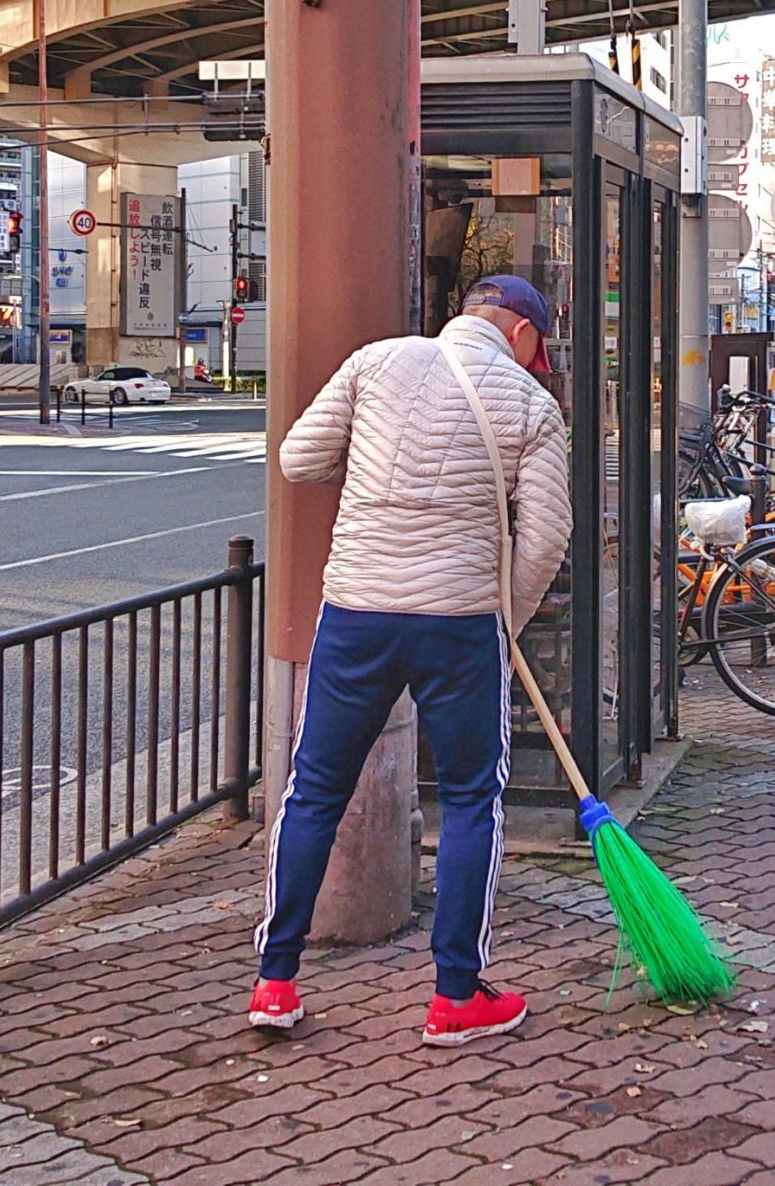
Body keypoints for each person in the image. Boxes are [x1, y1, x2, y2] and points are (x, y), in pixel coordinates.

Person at [249, 274, 572, 1046]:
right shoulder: (531, 405)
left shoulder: (376, 360)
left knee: (313, 789)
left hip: (356, 611)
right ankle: (455, 995)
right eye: (535, 349)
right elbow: (545, 537)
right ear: (521, 333)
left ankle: (274, 982)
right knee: (470, 799)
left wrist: (373, 476)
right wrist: (502, 623)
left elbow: (299, 459)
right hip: (458, 623)